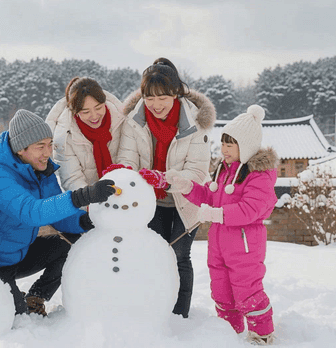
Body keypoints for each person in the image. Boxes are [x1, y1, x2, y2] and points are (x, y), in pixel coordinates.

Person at [0, 109, 116, 316]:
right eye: (40, 147)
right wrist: (83, 196)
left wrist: (88, 221)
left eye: (50, 144)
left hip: (22, 253)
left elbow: (59, 216)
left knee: (71, 243)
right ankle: (12, 300)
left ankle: (37, 296)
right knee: (17, 317)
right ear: (20, 149)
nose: (47, 152)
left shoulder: (41, 170)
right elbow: (32, 212)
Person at [166, 105, 278, 345]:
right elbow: (209, 195)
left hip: (245, 246)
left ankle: (262, 335)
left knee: (247, 291)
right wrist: (186, 186)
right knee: (222, 293)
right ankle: (229, 335)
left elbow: (250, 209)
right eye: (224, 143)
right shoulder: (224, 170)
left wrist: (216, 214)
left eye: (231, 144)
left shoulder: (259, 175)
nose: (224, 149)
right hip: (219, 245)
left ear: (246, 146)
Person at [117, 57, 216, 318]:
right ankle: (156, 309)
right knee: (155, 255)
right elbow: (127, 157)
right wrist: (126, 173)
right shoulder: (134, 120)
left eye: (163, 97)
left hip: (186, 200)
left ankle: (179, 315)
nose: (156, 104)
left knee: (180, 256)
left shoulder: (195, 123)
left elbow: (196, 171)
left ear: (175, 93)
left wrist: (164, 179)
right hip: (152, 201)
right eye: (150, 97)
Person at [45, 77, 126, 192]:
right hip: (89, 201)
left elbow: (130, 160)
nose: (94, 116)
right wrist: (93, 200)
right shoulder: (64, 136)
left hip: (125, 195)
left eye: (98, 108)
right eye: (85, 112)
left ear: (105, 103)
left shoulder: (122, 122)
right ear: (75, 112)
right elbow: (72, 180)